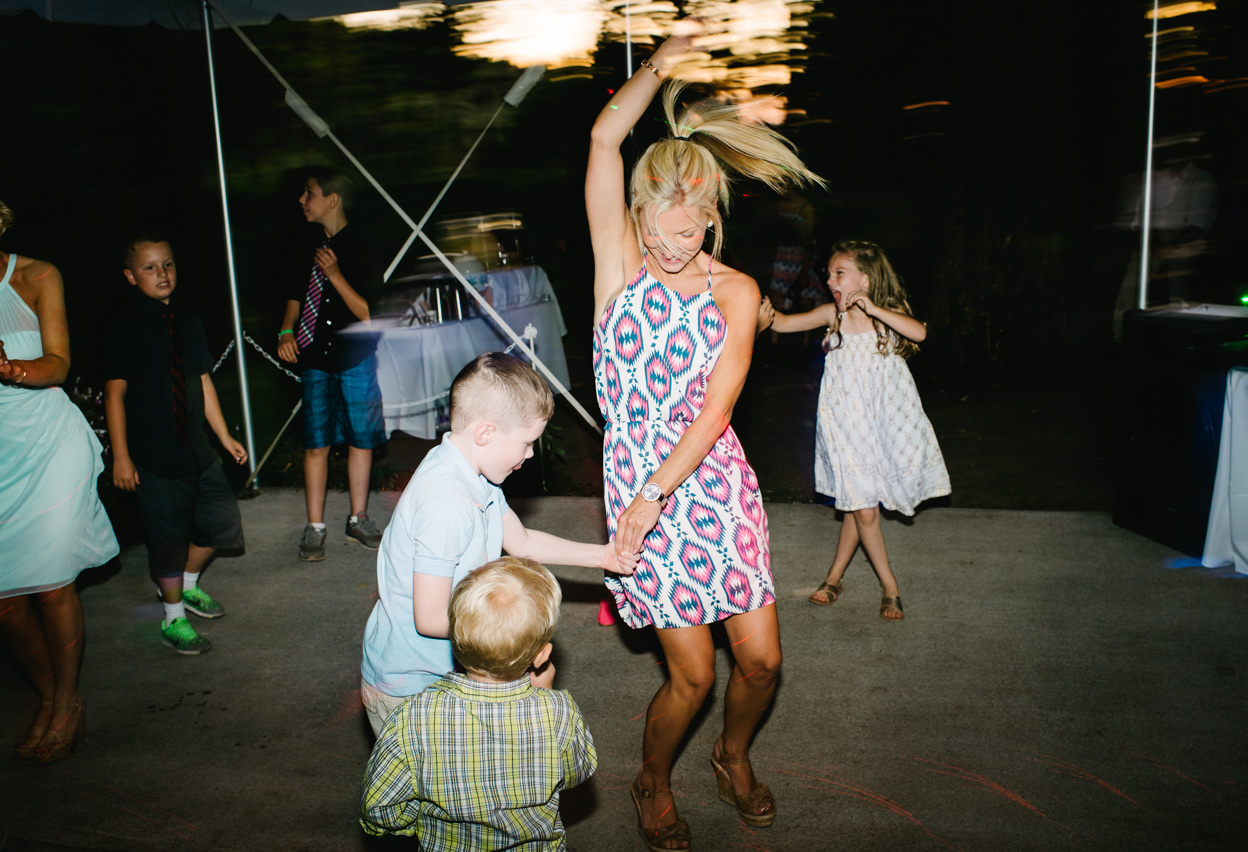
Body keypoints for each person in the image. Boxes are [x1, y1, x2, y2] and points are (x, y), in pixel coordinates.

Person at [585, 30, 824, 850]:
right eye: (664, 227)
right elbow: (605, 137)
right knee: (690, 675)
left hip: (709, 480)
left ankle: (732, 754)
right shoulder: (617, 263)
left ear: (713, 218)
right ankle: (652, 779)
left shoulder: (737, 292)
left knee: (760, 663)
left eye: (695, 230)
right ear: (640, 212)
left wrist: (661, 497)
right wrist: (663, 61)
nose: (678, 244)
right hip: (636, 484)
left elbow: (716, 410)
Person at [360, 352, 634, 735]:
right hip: (414, 687)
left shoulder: (475, 473)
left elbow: (520, 542)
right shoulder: (447, 504)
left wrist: (603, 556)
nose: (529, 454)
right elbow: (431, 616)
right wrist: (515, 639)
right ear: (485, 432)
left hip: (448, 670)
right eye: (526, 442)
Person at [760, 239, 951, 618]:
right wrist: (764, 314)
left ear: (865, 277)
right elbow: (782, 323)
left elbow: (920, 333)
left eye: (839, 273)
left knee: (856, 503)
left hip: (887, 425)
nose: (830, 280)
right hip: (846, 426)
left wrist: (875, 308)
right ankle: (890, 585)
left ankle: (833, 577)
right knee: (864, 510)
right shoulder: (833, 316)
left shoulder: (886, 314)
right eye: (828, 274)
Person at [361, 556, 596, 851]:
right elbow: (576, 772)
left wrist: (419, 823)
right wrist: (545, 694)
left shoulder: (413, 717)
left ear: (455, 641)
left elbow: (381, 808)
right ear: (542, 656)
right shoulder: (560, 713)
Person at [0, 201, 120, 762]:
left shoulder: (38, 275)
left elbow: (59, 364)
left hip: (48, 442)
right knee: (4, 601)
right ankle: (48, 698)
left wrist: (11, 370)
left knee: (49, 585)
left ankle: (68, 703)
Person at [104, 236, 247, 655]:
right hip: (153, 456)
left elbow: (202, 381)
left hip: (198, 451)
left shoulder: (188, 318)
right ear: (131, 276)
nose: (162, 273)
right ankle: (172, 619)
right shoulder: (124, 325)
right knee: (166, 539)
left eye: (167, 264)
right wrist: (123, 457)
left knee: (220, 524)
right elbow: (114, 395)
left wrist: (224, 436)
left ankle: (186, 586)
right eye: (150, 267)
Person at [276, 167, 385, 560]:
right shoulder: (303, 243)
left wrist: (335, 274)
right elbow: (295, 292)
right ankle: (315, 526)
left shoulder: (363, 246)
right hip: (314, 356)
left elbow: (370, 312)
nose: (302, 201)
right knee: (316, 441)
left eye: (310, 193)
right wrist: (286, 331)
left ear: (332, 199)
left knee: (361, 438)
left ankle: (358, 519)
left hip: (354, 355)